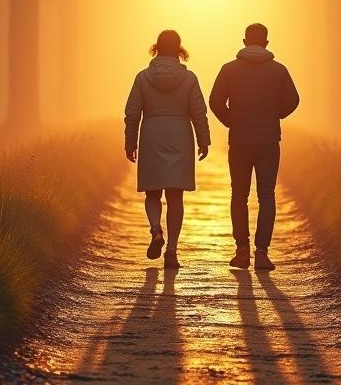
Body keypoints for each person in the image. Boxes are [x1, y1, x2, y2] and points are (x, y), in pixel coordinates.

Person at [209, 23, 299, 271]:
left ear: (244, 41)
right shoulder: (279, 71)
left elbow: (215, 101)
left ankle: (241, 251)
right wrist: (275, 116)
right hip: (269, 140)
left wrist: (231, 121)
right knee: (266, 195)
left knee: (238, 195)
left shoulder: (229, 69)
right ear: (267, 43)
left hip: (240, 141)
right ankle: (262, 252)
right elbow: (293, 100)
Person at [125, 30, 211, 269]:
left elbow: (132, 114)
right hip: (180, 136)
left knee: (152, 193)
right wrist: (203, 140)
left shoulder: (143, 78)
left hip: (152, 135)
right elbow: (199, 112)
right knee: (176, 196)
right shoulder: (189, 78)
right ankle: (171, 250)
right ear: (179, 50)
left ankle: (155, 230)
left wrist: (130, 142)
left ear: (156, 48)